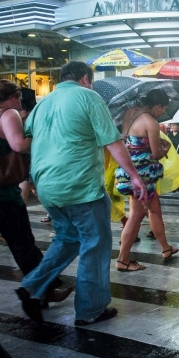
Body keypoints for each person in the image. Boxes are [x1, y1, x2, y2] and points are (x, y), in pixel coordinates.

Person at [16, 61, 147, 325]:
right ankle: (91, 309)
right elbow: (111, 140)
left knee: (68, 237)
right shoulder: (89, 97)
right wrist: (134, 175)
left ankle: (32, 286)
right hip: (80, 186)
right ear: (85, 78)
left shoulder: (42, 103)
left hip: (47, 186)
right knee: (95, 244)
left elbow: (26, 141)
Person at [0, 80, 72, 309]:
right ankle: (41, 290)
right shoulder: (8, 113)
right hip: (5, 194)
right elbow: (19, 145)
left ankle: (43, 289)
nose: (20, 101)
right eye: (18, 97)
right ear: (12, 97)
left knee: (22, 244)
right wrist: (39, 134)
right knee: (23, 244)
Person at [115, 89, 179, 272]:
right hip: (143, 174)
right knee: (136, 215)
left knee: (154, 209)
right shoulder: (151, 122)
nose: (163, 113)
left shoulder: (129, 113)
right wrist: (165, 149)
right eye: (163, 109)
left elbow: (128, 140)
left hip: (128, 167)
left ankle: (166, 248)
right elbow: (156, 154)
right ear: (157, 106)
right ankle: (122, 259)